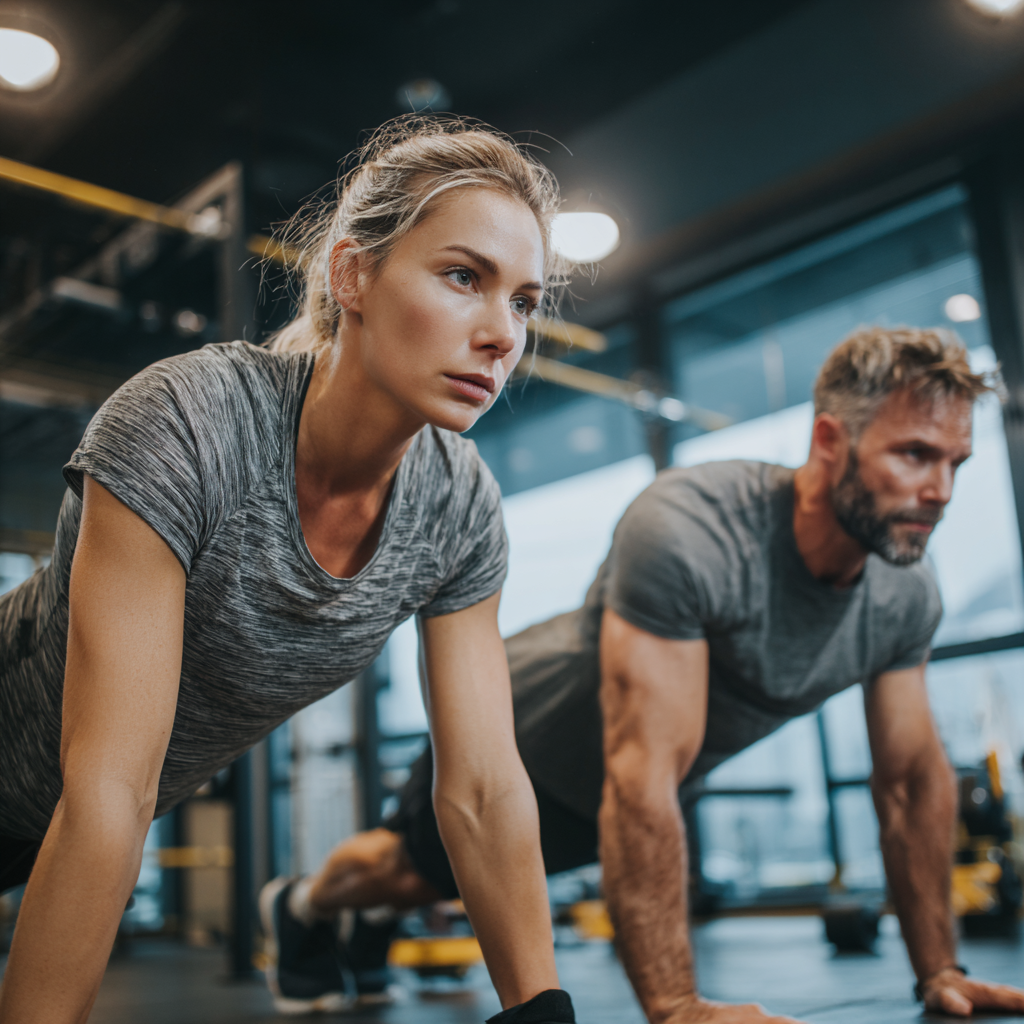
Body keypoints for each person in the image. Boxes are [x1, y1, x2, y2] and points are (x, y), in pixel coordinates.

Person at [267, 327, 1024, 1023]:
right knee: (403, 873)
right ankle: (302, 904)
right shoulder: (695, 526)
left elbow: (908, 782)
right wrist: (674, 1006)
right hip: (522, 732)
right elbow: (641, 773)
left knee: (419, 887)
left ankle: (363, 923)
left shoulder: (903, 591)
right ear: (830, 440)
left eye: (956, 464)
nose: (942, 491)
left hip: (628, 781)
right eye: (915, 455)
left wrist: (940, 972)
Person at [0, 117, 578, 1024]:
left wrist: (542, 1013)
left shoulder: (459, 508)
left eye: (524, 301)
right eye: (464, 277)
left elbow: (483, 788)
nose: (502, 333)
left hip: (44, 824)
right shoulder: (189, 425)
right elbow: (113, 785)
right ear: (352, 274)